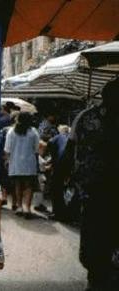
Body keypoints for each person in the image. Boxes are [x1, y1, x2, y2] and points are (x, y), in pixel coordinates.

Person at [67, 78, 119, 290]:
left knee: (97, 242)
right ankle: (97, 278)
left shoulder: (85, 117)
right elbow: (70, 150)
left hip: (98, 191)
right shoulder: (86, 118)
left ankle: (100, 276)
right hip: (94, 192)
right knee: (95, 246)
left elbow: (69, 151)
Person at [4, 112, 40, 219]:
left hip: (15, 162)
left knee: (18, 184)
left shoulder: (11, 131)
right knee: (29, 185)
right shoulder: (33, 132)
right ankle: (27, 207)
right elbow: (37, 148)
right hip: (29, 163)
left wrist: (6, 160)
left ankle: (19, 206)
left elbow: (7, 149)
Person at [46, 124, 70, 221]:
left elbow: (50, 144)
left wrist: (51, 161)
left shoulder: (58, 137)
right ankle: (67, 212)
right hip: (70, 163)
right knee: (66, 189)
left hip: (60, 163)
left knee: (55, 188)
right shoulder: (69, 138)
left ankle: (57, 213)